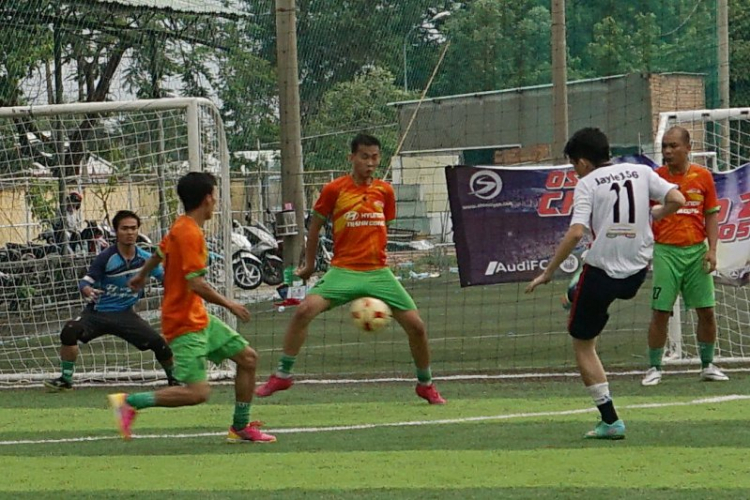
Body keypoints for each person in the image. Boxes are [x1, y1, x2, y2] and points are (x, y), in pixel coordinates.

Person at [255, 133, 446, 405]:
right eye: (364, 157)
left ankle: (425, 384)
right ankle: (282, 375)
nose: (370, 163)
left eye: (375, 157)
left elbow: (385, 228)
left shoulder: (385, 191)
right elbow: (315, 226)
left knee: (417, 327)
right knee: (303, 311)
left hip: (378, 272)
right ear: (352, 158)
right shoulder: (335, 189)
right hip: (343, 270)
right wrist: (309, 265)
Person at [526, 127, 685, 439]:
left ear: (583, 162)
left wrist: (547, 272)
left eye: (573, 165)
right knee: (585, 289)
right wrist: (654, 214)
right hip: (637, 273)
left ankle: (610, 421)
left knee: (583, 343)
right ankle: (574, 293)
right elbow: (677, 199)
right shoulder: (641, 170)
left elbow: (575, 233)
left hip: (601, 276)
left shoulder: (587, 183)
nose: (574, 172)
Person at [110, 172, 276, 443]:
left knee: (248, 358)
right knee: (197, 393)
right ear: (208, 198)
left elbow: (158, 254)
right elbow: (196, 284)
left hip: (199, 318)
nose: (216, 202)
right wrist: (230, 304)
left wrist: (141, 275)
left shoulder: (181, 226)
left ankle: (240, 427)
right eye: (215, 196)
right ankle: (130, 402)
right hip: (184, 323)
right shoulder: (190, 235)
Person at [44, 210, 178, 391]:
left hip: (125, 314)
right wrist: (86, 289)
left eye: (133, 228)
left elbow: (167, 280)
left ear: (138, 230)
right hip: (98, 313)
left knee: (159, 344)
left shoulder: (146, 259)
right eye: (124, 228)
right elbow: (86, 281)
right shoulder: (106, 258)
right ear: (116, 231)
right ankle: (65, 380)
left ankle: (174, 379)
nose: (129, 232)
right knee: (70, 330)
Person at [641, 126, 729, 386]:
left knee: (707, 311)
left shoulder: (702, 176)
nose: (668, 151)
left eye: (673, 146)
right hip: (665, 251)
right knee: (660, 311)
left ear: (688, 147)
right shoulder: (656, 178)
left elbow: (711, 215)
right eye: (665, 146)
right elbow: (646, 215)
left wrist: (712, 250)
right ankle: (655, 367)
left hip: (696, 252)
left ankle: (707, 364)